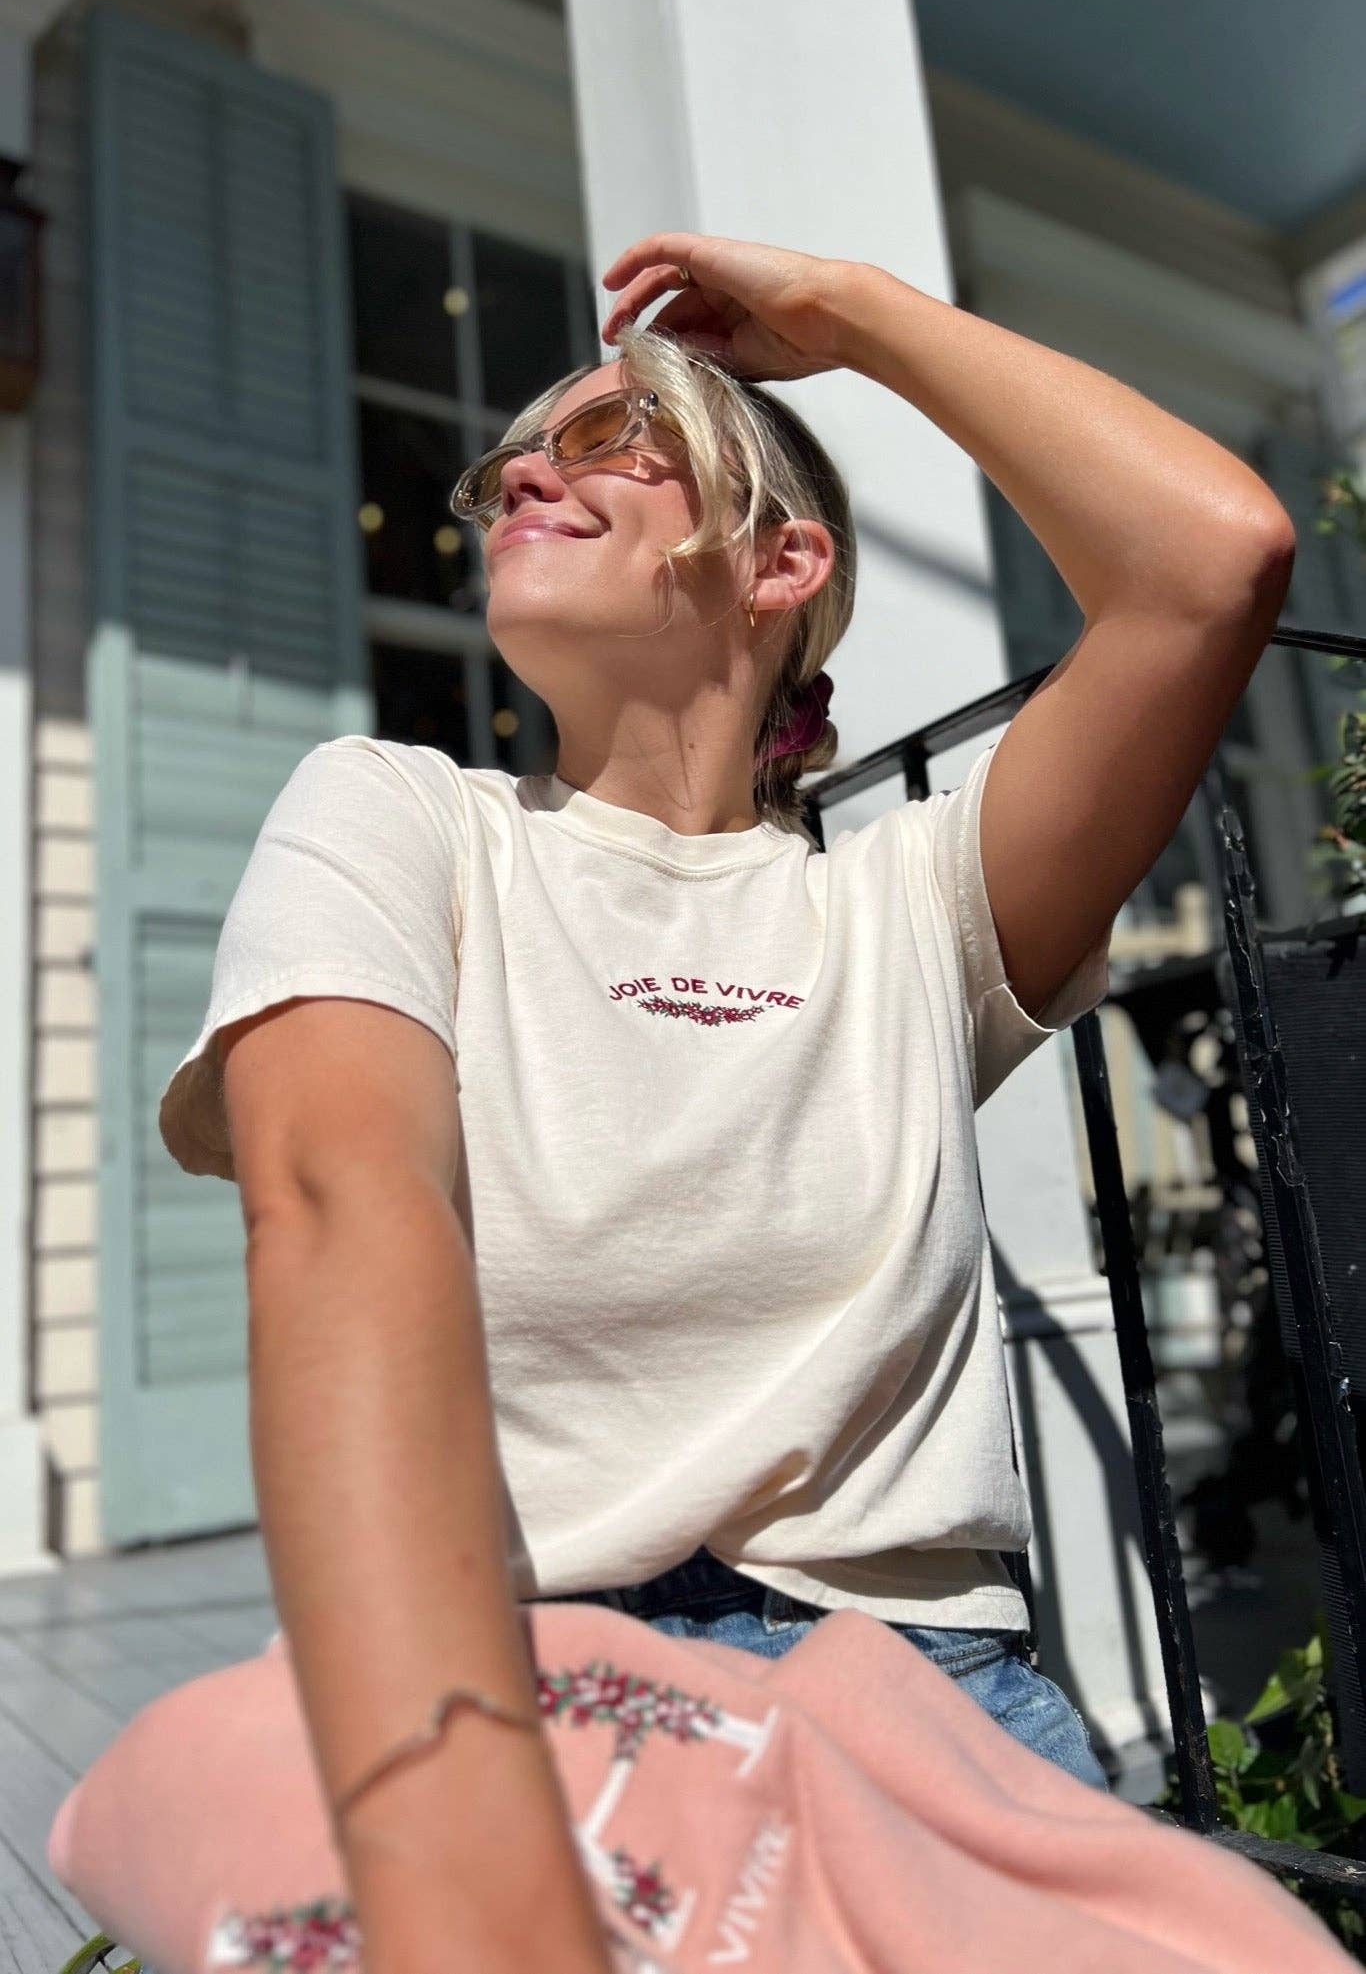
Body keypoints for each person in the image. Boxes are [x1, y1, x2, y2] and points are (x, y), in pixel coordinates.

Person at [157, 232, 1296, 1974]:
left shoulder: (911, 907)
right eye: (518, 453)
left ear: (782, 560)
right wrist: (432, 1782)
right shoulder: (398, 820)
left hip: (924, 1705)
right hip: (531, 1679)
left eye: (616, 436)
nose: (526, 465)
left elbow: (1212, 562)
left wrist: (849, 318)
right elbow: (332, 1212)